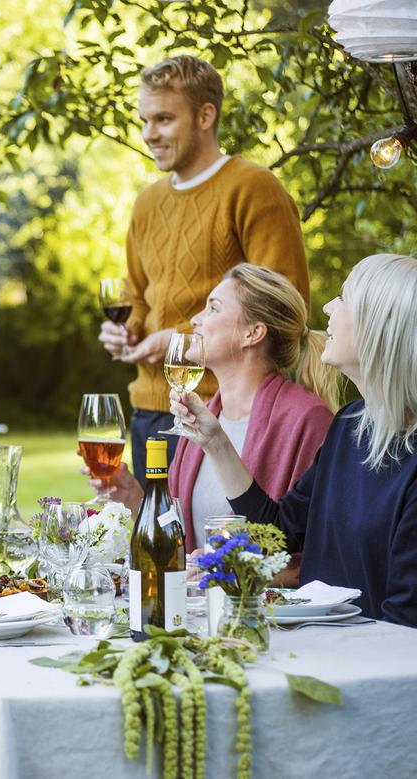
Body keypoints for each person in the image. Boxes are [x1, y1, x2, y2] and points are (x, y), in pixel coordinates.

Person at [171, 253, 417, 626]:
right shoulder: (348, 427)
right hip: (317, 644)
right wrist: (216, 442)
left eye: (345, 298)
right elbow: (278, 532)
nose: (329, 306)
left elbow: (406, 619)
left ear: (381, 327)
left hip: (367, 664)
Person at [98, 54, 310, 486]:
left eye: (163, 119)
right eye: (144, 120)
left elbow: (283, 306)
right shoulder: (147, 203)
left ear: (205, 115)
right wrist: (129, 332)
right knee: (155, 546)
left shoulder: (252, 187)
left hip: (224, 412)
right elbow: (139, 296)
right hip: (150, 413)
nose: (148, 134)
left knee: (222, 549)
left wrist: (177, 341)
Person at [95, 264, 338, 559]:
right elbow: (176, 537)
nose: (195, 320)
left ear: (253, 332)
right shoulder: (206, 416)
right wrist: (131, 497)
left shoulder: (308, 419)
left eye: (213, 308)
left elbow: (314, 552)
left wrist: (217, 573)